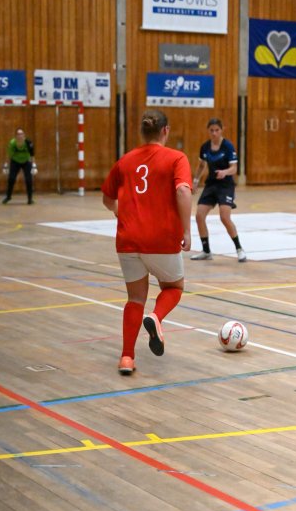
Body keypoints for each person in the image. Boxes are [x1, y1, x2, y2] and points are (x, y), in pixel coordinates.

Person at [102, 109, 192, 375]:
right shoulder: (177, 158)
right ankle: (156, 317)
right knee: (174, 287)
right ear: (166, 130)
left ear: (143, 132)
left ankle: (127, 358)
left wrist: (119, 211)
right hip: (161, 238)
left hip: (128, 240)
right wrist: (186, 231)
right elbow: (183, 190)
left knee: (134, 298)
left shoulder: (125, 161)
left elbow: (107, 199)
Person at [191, 117, 246, 262]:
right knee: (199, 215)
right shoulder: (205, 147)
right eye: (211, 130)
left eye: (217, 130)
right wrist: (195, 181)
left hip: (226, 185)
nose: (214, 133)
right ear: (208, 131)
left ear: (222, 130)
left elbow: (234, 168)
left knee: (224, 217)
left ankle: (239, 249)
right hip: (211, 185)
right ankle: (206, 251)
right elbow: (201, 165)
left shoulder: (227, 146)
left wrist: (224, 172)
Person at [2, 127, 37, 204]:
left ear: (24, 135)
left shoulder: (28, 143)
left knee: (29, 180)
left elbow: (32, 155)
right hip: (15, 162)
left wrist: (34, 166)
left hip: (26, 162)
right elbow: (9, 155)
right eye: (18, 134)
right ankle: (8, 197)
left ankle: (30, 199)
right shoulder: (12, 143)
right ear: (16, 136)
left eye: (21, 134)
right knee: (11, 179)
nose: (20, 136)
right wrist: (5, 165)